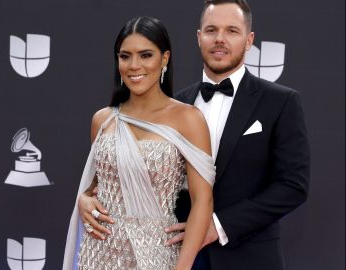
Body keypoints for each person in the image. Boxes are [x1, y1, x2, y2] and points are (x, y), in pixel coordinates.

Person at [76, 1, 310, 270]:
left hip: (248, 257)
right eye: (211, 30)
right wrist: (85, 198)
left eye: (231, 31)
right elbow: (121, 177)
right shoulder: (176, 105)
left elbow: (293, 186)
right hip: (169, 250)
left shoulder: (280, 101)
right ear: (199, 37)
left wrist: (218, 226)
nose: (219, 39)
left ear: (249, 40)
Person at [63, 17, 216, 270]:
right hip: (99, 252)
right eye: (125, 56)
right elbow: (96, 185)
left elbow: (203, 202)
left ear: (164, 59)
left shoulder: (188, 119)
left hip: (158, 254)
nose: (134, 66)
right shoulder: (103, 119)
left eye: (146, 55)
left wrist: (183, 266)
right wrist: (84, 199)